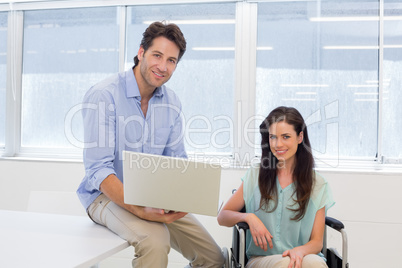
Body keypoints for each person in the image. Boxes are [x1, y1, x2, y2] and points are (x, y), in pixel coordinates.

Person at [77, 21, 224, 268]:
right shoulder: (104, 95)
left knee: (214, 258)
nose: (163, 66)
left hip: (154, 198)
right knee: (156, 242)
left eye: (171, 61)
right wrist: (139, 209)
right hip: (103, 196)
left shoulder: (172, 102)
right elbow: (98, 169)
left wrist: (185, 197)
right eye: (157, 55)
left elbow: (176, 162)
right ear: (141, 52)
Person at [217, 106, 334, 268]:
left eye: (286, 137)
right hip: (262, 259)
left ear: (300, 137)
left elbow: (316, 242)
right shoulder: (256, 174)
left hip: (304, 255)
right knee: (285, 265)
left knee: (315, 264)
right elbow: (223, 217)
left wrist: (299, 251)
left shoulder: (318, 183)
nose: (278, 144)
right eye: (273, 137)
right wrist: (249, 217)